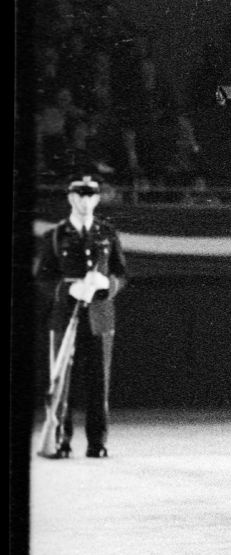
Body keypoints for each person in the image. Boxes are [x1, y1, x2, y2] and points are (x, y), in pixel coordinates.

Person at [36, 173, 128, 459]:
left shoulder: (106, 233)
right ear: (71, 198)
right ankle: (61, 439)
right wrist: (70, 288)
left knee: (99, 382)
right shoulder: (55, 236)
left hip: (100, 317)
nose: (86, 201)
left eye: (91, 195)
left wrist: (107, 285)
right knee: (61, 381)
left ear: (97, 198)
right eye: (80, 195)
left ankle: (96, 442)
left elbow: (121, 273)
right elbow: (43, 278)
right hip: (65, 316)